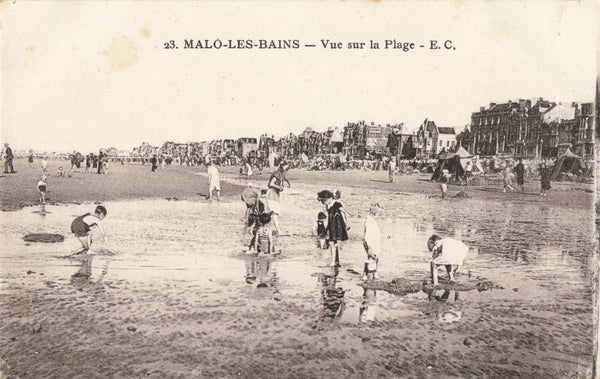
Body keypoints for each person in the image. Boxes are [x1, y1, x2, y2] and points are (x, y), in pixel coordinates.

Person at [318, 190, 348, 267]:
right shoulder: (329, 205)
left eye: (323, 201)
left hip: (337, 227)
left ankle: (333, 261)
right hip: (332, 226)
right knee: (333, 244)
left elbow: (344, 212)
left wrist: (347, 224)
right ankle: (336, 261)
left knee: (332, 244)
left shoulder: (337, 204)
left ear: (326, 199)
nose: (323, 203)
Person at [266, 162, 291, 235]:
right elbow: (271, 184)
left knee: (271, 213)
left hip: (273, 193)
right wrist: (279, 187)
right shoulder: (277, 174)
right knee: (274, 213)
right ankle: (279, 231)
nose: (287, 170)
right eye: (286, 169)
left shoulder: (279, 174)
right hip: (272, 193)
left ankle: (263, 228)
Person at [363, 203, 382, 281]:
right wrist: (369, 246)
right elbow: (367, 235)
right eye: (379, 215)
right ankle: (365, 274)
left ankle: (374, 272)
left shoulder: (372, 221)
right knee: (371, 259)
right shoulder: (369, 222)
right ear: (375, 214)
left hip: (374, 243)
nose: (379, 217)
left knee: (375, 258)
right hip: (370, 244)